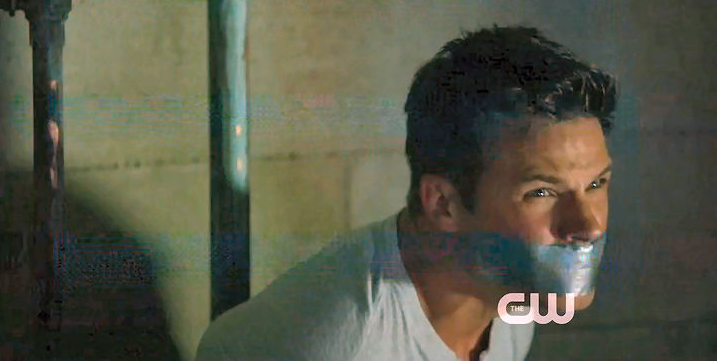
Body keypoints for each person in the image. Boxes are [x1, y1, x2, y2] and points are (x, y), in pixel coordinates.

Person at [195, 24, 619, 361]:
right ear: (442, 203)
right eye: (542, 193)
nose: (590, 226)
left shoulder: (515, 297)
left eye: (596, 184)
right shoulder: (340, 339)